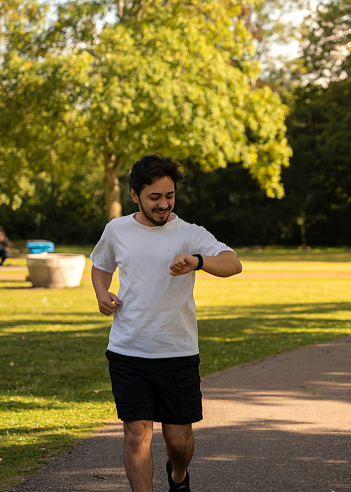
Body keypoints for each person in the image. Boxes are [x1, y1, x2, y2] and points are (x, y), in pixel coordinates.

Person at [90, 154, 242, 492]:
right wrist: (102, 293)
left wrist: (197, 261)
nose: (163, 204)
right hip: (128, 350)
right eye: (154, 197)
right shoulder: (117, 230)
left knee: (178, 440)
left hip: (177, 351)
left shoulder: (189, 233)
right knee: (136, 434)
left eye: (169, 196)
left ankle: (178, 476)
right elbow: (101, 265)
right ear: (134, 195)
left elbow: (233, 263)